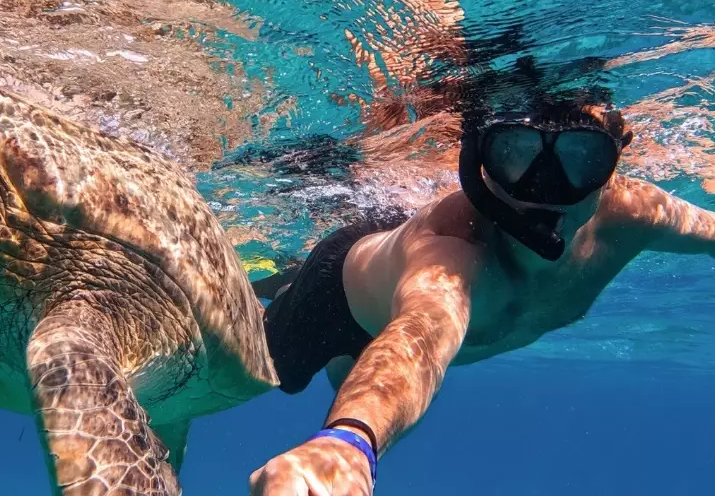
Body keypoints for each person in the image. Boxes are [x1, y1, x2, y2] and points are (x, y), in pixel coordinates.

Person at [250, 80, 715, 496]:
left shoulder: (638, 214)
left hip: (381, 310)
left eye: (581, 157)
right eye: (514, 153)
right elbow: (423, 333)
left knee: (339, 374)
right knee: (263, 373)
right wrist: (348, 444)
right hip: (338, 295)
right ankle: (284, 274)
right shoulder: (453, 247)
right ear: (479, 160)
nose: (543, 188)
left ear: (614, 160)